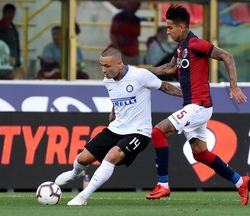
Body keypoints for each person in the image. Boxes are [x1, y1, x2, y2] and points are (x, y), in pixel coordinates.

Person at [145, 5, 250, 206]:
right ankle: (240, 181)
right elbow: (169, 68)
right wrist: (141, 72)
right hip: (195, 106)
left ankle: (163, 184)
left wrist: (234, 87)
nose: (167, 32)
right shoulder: (181, 47)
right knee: (200, 153)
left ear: (182, 26)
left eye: (170, 28)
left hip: (198, 106)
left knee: (158, 132)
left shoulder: (195, 44)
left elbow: (226, 56)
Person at [54, 46, 182, 205]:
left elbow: (164, 86)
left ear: (119, 64)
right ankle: (75, 173)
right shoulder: (107, 81)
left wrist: (187, 97)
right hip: (115, 128)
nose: (103, 70)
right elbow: (118, 96)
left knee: (112, 156)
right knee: (83, 158)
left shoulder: (140, 75)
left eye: (107, 66)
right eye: (101, 65)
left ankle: (83, 197)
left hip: (139, 132)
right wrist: (113, 111)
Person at [0, 3, 22, 79]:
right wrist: (8, 58)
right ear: (4, 13)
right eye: (9, 13)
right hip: (3, 65)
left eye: (13, 13)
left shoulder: (13, 28)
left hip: (12, 64)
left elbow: (16, 46)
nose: (11, 15)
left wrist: (18, 64)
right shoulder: (0, 28)